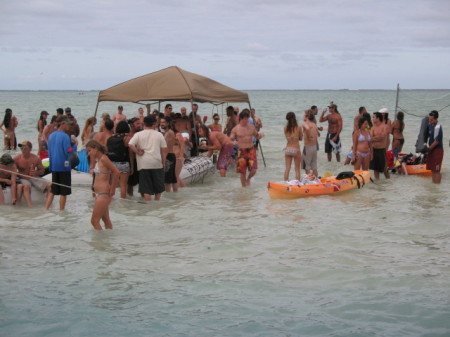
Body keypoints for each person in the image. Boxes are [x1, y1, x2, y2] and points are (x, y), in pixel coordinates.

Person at [128, 115, 168, 201]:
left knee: (146, 188)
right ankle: (157, 202)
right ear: (154, 124)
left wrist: (137, 152)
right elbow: (164, 150)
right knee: (158, 186)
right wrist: (164, 162)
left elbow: (130, 144)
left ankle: (148, 203)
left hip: (144, 163)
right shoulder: (159, 134)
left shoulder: (138, 134)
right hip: (157, 162)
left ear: (143, 123)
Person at [86, 140, 119, 230]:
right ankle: (107, 241)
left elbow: (116, 172)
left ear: (95, 149)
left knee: (94, 221)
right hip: (99, 194)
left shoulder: (104, 159)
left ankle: (99, 242)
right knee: (106, 219)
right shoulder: (98, 160)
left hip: (103, 194)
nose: (88, 153)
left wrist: (113, 189)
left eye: (89, 150)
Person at [45, 117, 76, 210]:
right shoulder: (65, 136)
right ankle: (61, 210)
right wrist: (74, 147)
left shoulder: (51, 135)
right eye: (68, 124)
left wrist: (51, 165)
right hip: (64, 166)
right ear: (62, 124)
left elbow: (49, 151)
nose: (70, 127)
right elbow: (68, 150)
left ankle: (46, 208)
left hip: (54, 166)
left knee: (53, 190)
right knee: (64, 191)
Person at [229, 110, 264, 187]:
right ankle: (244, 188)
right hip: (241, 151)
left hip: (251, 149)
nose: (247, 120)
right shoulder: (236, 129)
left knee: (254, 169)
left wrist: (260, 136)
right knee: (242, 171)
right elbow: (230, 139)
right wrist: (233, 143)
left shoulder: (251, 127)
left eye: (247, 118)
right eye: (245, 119)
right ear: (241, 118)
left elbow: (257, 136)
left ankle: (248, 178)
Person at [13, 141, 51, 207]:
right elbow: (12, 171)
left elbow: (42, 171)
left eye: (25, 148)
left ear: (30, 149)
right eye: (21, 148)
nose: (23, 150)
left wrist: (36, 172)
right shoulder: (17, 158)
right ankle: (30, 207)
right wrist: (19, 175)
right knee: (26, 186)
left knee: (50, 185)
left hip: (33, 177)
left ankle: (47, 203)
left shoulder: (36, 158)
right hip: (22, 177)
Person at [107, 120, 132, 199]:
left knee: (112, 184)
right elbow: (131, 154)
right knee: (123, 185)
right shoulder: (127, 138)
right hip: (124, 163)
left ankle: (111, 200)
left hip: (112, 164)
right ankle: (123, 201)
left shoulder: (110, 138)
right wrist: (132, 166)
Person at [159, 116, 178, 192]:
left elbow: (164, 147)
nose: (161, 124)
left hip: (168, 156)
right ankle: (174, 196)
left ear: (167, 123)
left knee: (167, 180)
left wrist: (163, 160)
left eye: (163, 122)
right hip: (170, 156)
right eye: (161, 122)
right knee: (173, 179)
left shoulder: (169, 133)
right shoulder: (167, 132)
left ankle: (168, 197)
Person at [370, 112, 390, 180]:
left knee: (384, 168)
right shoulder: (373, 127)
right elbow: (370, 138)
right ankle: (377, 181)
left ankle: (388, 181)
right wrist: (376, 138)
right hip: (374, 149)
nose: (372, 118)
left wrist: (374, 138)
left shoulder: (385, 126)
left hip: (381, 149)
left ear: (378, 118)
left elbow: (382, 137)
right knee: (375, 168)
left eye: (373, 117)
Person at [283, 112, 302, 181]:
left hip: (288, 149)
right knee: (297, 169)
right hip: (296, 149)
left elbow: (287, 139)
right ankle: (297, 185)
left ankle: (285, 183)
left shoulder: (285, 128)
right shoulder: (299, 127)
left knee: (287, 168)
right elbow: (301, 138)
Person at [125, 117, 143, 196]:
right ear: (132, 125)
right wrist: (132, 166)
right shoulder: (129, 136)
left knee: (142, 183)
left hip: (141, 161)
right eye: (138, 124)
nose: (140, 125)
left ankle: (143, 200)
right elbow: (131, 153)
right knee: (130, 184)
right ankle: (130, 200)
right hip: (133, 162)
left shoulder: (140, 134)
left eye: (140, 123)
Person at [426, 110, 444, 184]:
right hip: (431, 150)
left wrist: (429, 149)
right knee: (432, 169)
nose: (430, 121)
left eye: (432, 120)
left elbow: (437, 141)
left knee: (436, 170)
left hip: (437, 150)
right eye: (429, 119)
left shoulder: (438, 127)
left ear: (436, 119)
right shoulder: (430, 125)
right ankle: (434, 186)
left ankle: (437, 186)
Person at [302, 109, 319, 177]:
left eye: (304, 115)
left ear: (306, 116)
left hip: (308, 147)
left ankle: (309, 182)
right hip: (314, 147)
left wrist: (309, 136)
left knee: (307, 167)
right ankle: (316, 180)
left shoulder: (305, 123)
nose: (303, 116)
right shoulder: (314, 125)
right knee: (314, 166)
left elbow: (308, 128)